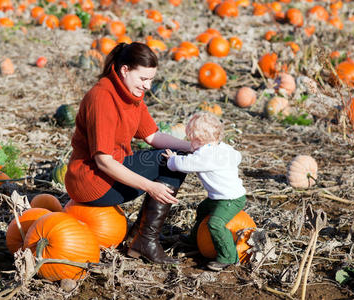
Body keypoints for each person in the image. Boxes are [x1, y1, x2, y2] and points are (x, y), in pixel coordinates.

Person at [64, 42, 192, 264]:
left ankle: (139, 238)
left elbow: (153, 136)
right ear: (124, 69)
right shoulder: (102, 97)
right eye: (143, 79)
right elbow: (103, 161)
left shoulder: (131, 94)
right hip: (91, 181)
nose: (148, 86)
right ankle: (146, 241)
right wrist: (150, 186)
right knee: (170, 161)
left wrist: (193, 147)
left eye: (151, 79)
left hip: (109, 174)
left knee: (177, 156)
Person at [163, 112, 247, 271]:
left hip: (230, 199)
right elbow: (238, 156)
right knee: (202, 209)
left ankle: (228, 257)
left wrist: (172, 160)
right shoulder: (223, 148)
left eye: (191, 140)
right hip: (221, 197)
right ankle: (195, 239)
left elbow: (184, 165)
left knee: (215, 224)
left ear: (199, 140)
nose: (190, 143)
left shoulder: (205, 156)